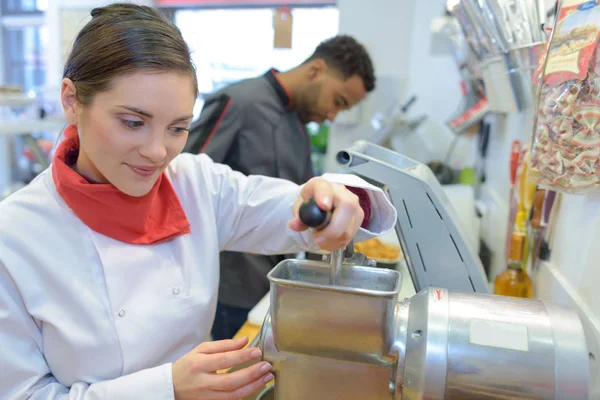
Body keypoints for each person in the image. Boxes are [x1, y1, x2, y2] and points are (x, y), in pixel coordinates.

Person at [0, 4, 396, 400]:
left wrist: (332, 201)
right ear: (71, 100)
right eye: (133, 123)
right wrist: (165, 388)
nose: (157, 152)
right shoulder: (15, 236)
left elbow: (291, 211)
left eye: (177, 128)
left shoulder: (194, 183)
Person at [183, 35, 376, 340]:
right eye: (338, 101)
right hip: (228, 287)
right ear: (316, 70)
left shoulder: (298, 123)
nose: (332, 115)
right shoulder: (240, 102)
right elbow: (185, 185)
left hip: (269, 279)